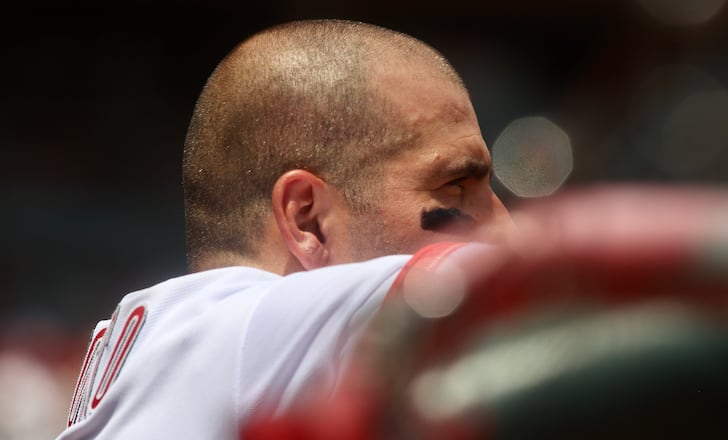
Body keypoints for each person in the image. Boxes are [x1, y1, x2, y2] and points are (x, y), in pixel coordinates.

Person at [57, 19, 512, 439]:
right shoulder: (246, 321)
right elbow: (516, 278)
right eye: (454, 186)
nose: (503, 225)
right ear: (307, 220)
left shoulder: (190, 339)